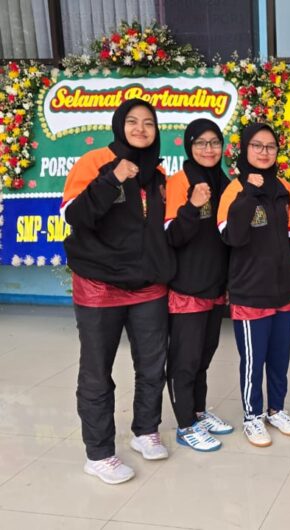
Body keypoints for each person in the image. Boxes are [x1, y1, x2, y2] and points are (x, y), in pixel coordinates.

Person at [61, 98, 175, 484]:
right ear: (119, 125)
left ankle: (145, 431)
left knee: (152, 366)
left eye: (148, 123)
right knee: (97, 372)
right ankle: (99, 454)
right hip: (100, 284)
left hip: (148, 285)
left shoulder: (157, 173)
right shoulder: (94, 162)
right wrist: (112, 179)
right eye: (133, 121)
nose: (141, 129)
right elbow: (73, 216)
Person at [217, 123, 290, 447]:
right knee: (254, 362)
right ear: (245, 149)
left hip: (283, 290)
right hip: (250, 292)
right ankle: (252, 416)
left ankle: (276, 410)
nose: (264, 152)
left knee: (280, 359)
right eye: (257, 145)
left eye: (270, 146)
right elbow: (232, 236)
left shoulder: (285, 189)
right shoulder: (233, 190)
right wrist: (250, 193)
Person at [164, 119, 232, 452]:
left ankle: (198, 412)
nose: (209, 149)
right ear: (189, 146)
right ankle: (185, 425)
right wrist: (192, 206)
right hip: (187, 288)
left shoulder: (225, 183)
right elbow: (172, 237)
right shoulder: (180, 182)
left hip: (215, 286)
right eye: (201, 143)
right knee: (185, 361)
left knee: (204, 356)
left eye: (214, 142)